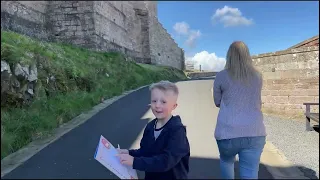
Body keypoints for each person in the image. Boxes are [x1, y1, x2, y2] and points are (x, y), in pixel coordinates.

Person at [213, 41, 267, 179]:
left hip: (227, 132)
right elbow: (256, 101)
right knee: (250, 172)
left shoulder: (221, 76)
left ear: (229, 56)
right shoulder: (258, 76)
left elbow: (217, 102)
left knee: (226, 162)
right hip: (254, 132)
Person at [117, 80, 190, 180]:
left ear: (174, 106)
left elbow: (166, 161)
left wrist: (134, 162)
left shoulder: (177, 130)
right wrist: (128, 153)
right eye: (154, 101)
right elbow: (145, 151)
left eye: (163, 102)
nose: (157, 105)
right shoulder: (150, 126)